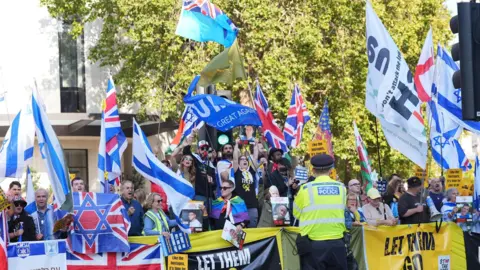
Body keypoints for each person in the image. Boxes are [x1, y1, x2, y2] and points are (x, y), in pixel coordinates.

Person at [293, 154, 347, 270]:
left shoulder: (306, 189)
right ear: (331, 169)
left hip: (314, 243)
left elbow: (296, 213)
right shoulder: (341, 188)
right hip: (338, 242)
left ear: (312, 170)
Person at [173, 137, 215, 204]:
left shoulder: (211, 166)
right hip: (198, 195)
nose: (204, 150)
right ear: (198, 150)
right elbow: (187, 153)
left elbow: (215, 184)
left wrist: (212, 181)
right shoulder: (195, 161)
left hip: (209, 196)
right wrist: (188, 144)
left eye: (206, 149)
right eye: (202, 148)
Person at [234, 149, 259, 227]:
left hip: (252, 205)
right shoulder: (236, 171)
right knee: (240, 231)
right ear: (238, 163)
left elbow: (255, 158)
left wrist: (255, 145)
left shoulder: (251, 171)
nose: (244, 160)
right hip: (239, 206)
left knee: (252, 230)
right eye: (242, 159)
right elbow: (235, 158)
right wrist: (236, 145)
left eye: (246, 159)